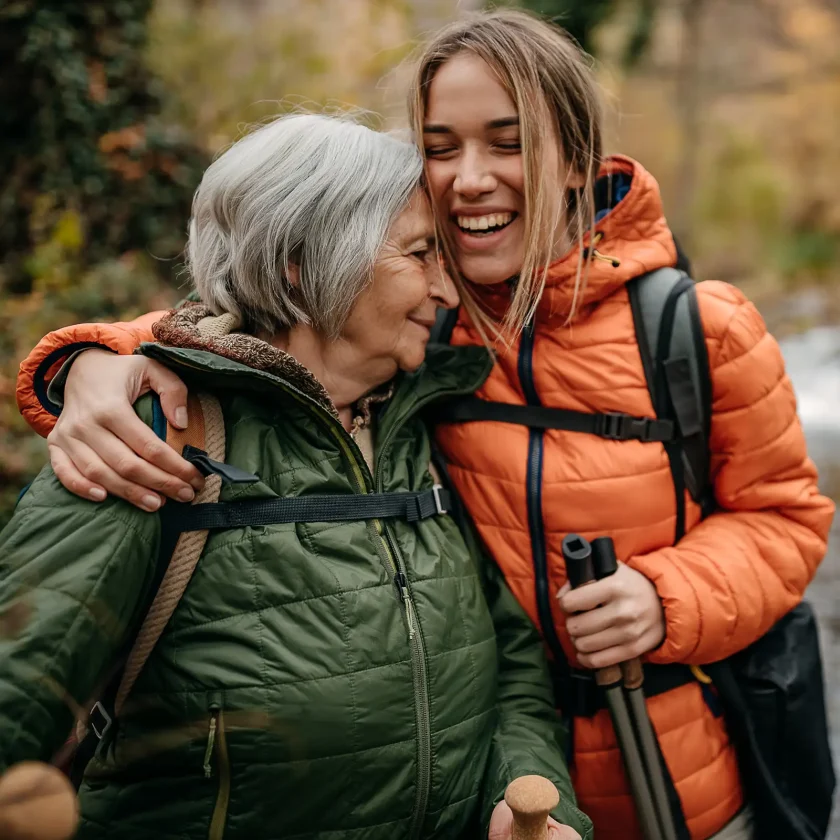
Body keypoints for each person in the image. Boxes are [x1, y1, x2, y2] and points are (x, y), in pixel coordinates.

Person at [14, 10, 836, 840]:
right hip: (490, 791)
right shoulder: (418, 331)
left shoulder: (697, 329)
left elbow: (789, 519)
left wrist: (668, 597)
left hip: (675, 777)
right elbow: (259, 315)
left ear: (579, 157)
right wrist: (92, 359)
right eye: (440, 148)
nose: (469, 178)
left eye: (507, 143)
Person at [0, 112, 591, 840]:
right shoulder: (146, 442)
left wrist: (526, 799)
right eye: (418, 253)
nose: (447, 286)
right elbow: (15, 698)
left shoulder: (422, 432)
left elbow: (510, 671)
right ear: (303, 265)